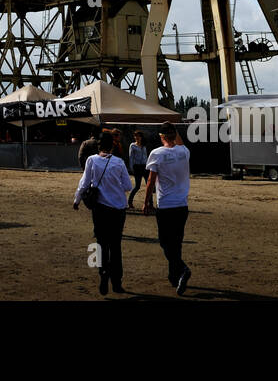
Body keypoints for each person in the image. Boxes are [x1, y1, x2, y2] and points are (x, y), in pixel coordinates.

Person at [73, 131, 133, 295]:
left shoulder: (92, 160)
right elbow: (128, 186)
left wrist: (77, 200)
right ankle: (117, 282)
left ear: (98, 146)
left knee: (101, 243)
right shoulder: (119, 162)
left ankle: (103, 274)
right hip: (118, 209)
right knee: (115, 246)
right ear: (112, 145)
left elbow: (84, 183)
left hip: (100, 209)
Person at [144, 122, 192, 295]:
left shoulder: (156, 154)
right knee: (176, 242)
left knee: (165, 241)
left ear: (161, 136)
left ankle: (182, 268)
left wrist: (147, 200)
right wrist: (173, 129)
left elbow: (151, 180)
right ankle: (174, 276)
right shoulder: (184, 152)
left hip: (165, 205)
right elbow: (179, 142)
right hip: (182, 205)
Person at [127, 131, 148, 210]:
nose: (137, 137)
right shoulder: (132, 145)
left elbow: (146, 157)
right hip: (137, 167)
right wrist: (131, 168)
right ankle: (130, 202)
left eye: (138, 136)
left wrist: (148, 166)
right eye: (135, 136)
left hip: (144, 167)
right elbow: (131, 157)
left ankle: (150, 204)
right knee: (137, 186)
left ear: (141, 137)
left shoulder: (144, 146)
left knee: (149, 185)